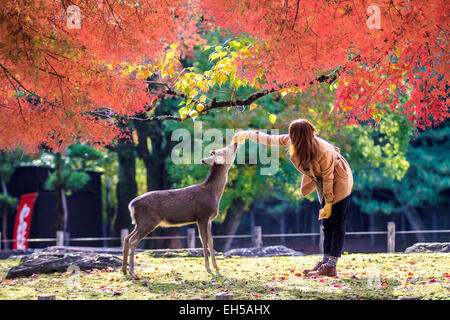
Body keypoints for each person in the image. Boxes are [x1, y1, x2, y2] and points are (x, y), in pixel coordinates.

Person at [232, 119, 353, 277]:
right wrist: (247, 134)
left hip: (339, 178)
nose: (290, 137)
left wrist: (329, 203)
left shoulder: (322, 150)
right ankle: (325, 262)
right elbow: (271, 140)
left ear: (299, 136)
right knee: (326, 224)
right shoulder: (294, 142)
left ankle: (331, 266)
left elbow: (329, 178)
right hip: (322, 181)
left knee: (336, 224)